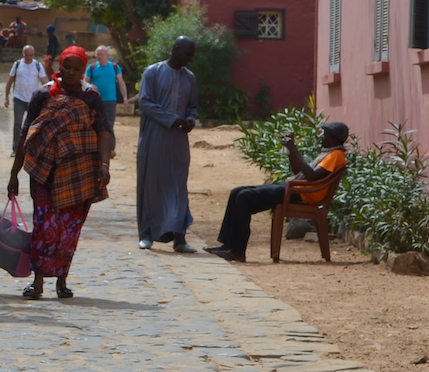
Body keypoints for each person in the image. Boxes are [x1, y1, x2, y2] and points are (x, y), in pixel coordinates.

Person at [8, 45, 113, 299]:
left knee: (69, 228)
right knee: (44, 225)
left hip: (80, 174)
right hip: (45, 173)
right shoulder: (42, 96)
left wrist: (104, 165)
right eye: (67, 67)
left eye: (78, 68)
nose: (72, 72)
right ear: (59, 67)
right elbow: (27, 135)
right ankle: (38, 281)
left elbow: (103, 133)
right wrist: (14, 174)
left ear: (84, 70)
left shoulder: (92, 98)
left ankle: (62, 280)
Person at [206, 122, 350, 263]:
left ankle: (237, 251)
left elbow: (311, 176)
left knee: (244, 197)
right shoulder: (329, 153)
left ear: (334, 138)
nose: (321, 137)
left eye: (325, 134)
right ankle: (228, 245)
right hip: (295, 188)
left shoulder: (336, 154)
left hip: (300, 193)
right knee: (237, 192)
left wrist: (294, 149)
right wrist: (290, 150)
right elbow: (299, 172)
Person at [136, 37, 200, 253]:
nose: (189, 59)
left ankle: (179, 238)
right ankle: (146, 234)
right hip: (155, 136)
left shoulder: (190, 78)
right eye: (187, 54)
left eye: (192, 55)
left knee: (178, 187)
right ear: (175, 49)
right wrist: (172, 119)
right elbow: (144, 102)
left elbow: (192, 106)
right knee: (151, 184)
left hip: (178, 140)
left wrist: (190, 119)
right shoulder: (152, 72)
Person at [5, 44, 48, 155]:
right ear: (23, 54)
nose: (29, 58)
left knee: (32, 125)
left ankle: (30, 147)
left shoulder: (38, 66)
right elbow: (10, 81)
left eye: (31, 55)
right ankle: (16, 148)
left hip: (33, 100)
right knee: (17, 124)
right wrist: (6, 97)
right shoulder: (17, 65)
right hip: (19, 97)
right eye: (26, 55)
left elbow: (44, 83)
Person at [84, 45, 129, 127]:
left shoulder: (115, 67)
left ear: (107, 55)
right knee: (95, 124)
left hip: (110, 101)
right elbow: (84, 82)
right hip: (95, 100)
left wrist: (125, 97)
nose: (99, 56)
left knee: (109, 125)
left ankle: (110, 140)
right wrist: (90, 86)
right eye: (98, 54)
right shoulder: (92, 67)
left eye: (102, 54)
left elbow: (121, 83)